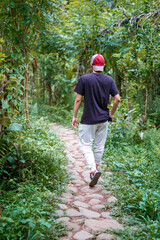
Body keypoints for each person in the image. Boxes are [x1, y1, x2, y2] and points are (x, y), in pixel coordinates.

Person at [72, 54, 120, 187]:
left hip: (88, 119)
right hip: (103, 119)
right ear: (103, 65)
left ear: (91, 65)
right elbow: (117, 99)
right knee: (99, 146)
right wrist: (111, 113)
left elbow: (78, 99)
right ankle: (96, 169)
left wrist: (74, 116)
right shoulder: (109, 80)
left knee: (86, 145)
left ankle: (93, 170)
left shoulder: (84, 79)